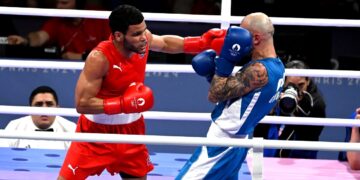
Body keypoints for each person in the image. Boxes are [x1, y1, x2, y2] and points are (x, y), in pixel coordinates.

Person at [57, 4, 227, 180]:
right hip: (94, 135)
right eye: (136, 34)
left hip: (132, 130)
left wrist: (201, 43)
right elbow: (82, 103)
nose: (144, 38)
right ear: (118, 35)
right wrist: (122, 104)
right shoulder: (99, 58)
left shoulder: (143, 41)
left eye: (144, 31)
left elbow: (166, 43)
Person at [176, 12, 285, 179]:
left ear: (255, 38)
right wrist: (211, 74)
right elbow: (233, 93)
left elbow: (215, 95)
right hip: (239, 139)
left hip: (223, 142)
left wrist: (226, 61)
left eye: (243, 34)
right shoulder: (277, 67)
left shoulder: (258, 71)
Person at [255, 60, 326, 159]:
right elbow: (258, 133)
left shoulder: (316, 102)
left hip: (302, 157)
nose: (296, 89)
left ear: (308, 81)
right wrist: (271, 108)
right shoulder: (275, 92)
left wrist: (296, 108)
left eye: (301, 85)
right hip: (272, 156)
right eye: (291, 85)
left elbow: (311, 135)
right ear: (284, 82)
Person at [7, 0, 110, 60]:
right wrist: (25, 41)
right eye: (58, 3)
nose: (58, 7)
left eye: (64, 3)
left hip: (97, 69)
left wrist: (82, 57)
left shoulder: (99, 17)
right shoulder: (58, 21)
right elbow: (40, 36)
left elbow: (113, 51)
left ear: (79, 3)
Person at [1, 85, 76, 149]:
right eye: (38, 104)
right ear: (30, 109)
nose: (44, 109)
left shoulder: (70, 128)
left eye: (49, 104)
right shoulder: (15, 127)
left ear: (57, 108)